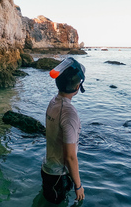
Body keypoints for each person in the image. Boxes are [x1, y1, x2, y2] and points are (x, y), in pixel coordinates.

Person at [41, 57, 86, 204]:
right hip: (58, 176)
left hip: (47, 168)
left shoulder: (53, 101)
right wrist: (78, 186)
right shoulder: (69, 114)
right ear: (77, 87)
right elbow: (70, 157)